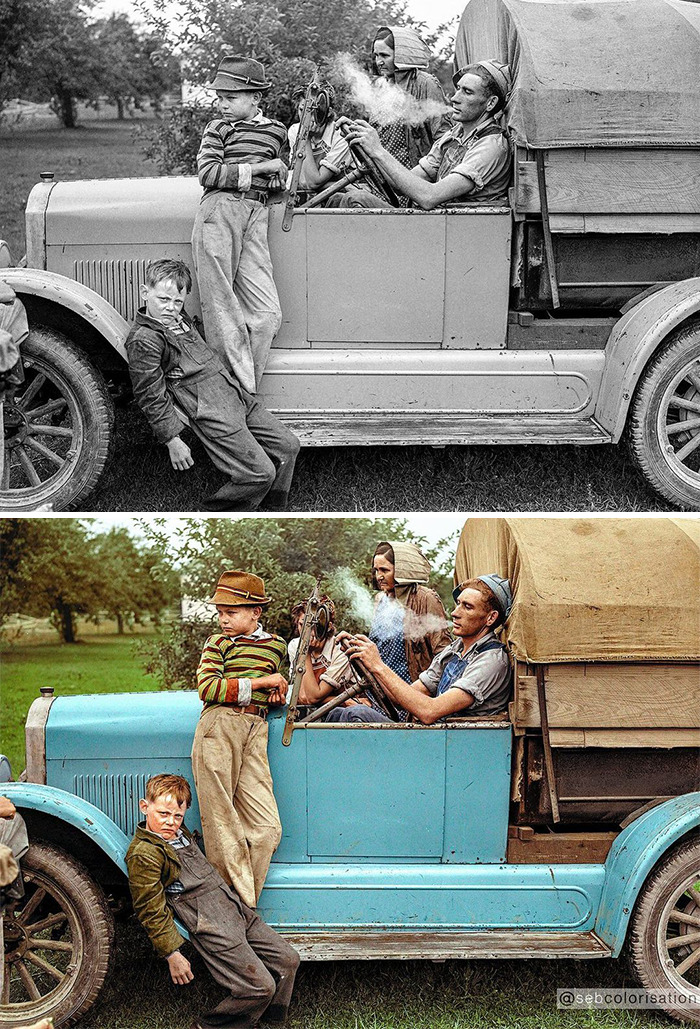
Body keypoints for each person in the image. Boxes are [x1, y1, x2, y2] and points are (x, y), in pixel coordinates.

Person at [125, 258, 299, 512]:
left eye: (177, 302)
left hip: (232, 393)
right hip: (210, 408)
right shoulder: (145, 340)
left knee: (288, 446)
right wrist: (172, 439)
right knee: (260, 472)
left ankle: (272, 506)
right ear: (144, 293)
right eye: (163, 300)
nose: (171, 308)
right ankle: (211, 512)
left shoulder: (177, 319)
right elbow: (149, 393)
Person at [126, 774, 299, 1029]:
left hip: (230, 905)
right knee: (259, 987)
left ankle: (270, 1021)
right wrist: (172, 953)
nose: (170, 822)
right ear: (144, 806)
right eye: (163, 813)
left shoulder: (178, 833)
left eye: (177, 816)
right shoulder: (145, 854)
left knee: (288, 959)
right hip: (209, 922)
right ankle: (208, 1026)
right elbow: (149, 908)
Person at [191, 55, 289, 396]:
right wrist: (262, 169)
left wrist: (276, 177)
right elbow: (209, 174)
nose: (222, 105)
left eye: (230, 98)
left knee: (266, 315)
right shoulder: (218, 129)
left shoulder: (277, 131)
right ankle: (228, 403)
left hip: (257, 216)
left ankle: (241, 395)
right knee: (221, 312)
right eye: (220, 97)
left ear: (255, 98)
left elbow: (280, 177)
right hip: (220, 211)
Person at [191, 571, 287, 909]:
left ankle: (237, 909)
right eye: (220, 612)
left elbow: (277, 686)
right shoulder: (217, 644)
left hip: (256, 731)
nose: (223, 619)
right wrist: (263, 684)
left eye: (230, 612)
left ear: (255, 612)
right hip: (220, 725)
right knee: (222, 827)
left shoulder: (276, 646)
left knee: (266, 829)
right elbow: (209, 689)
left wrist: (275, 692)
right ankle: (236, 916)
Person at [335, 575, 513, 724]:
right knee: (337, 714)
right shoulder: (453, 651)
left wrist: (378, 665)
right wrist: (366, 660)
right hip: (438, 739)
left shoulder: (492, 661)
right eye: (458, 603)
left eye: (467, 607)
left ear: (490, 618)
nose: (455, 613)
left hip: (456, 747)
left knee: (356, 715)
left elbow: (429, 711)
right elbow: (402, 698)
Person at [334, 60, 512, 210]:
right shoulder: (453, 136)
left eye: (467, 92)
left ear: (490, 103)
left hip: (457, 233)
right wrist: (367, 147)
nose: (455, 98)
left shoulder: (491, 146)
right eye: (458, 89)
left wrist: (378, 151)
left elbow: (429, 197)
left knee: (356, 199)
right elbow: (400, 185)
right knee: (336, 199)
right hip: (439, 225)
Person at [325, 541, 452, 722]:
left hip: (408, 695)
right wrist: (355, 643)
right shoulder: (380, 600)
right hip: (379, 692)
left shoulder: (425, 598)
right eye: (376, 570)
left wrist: (427, 700)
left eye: (384, 570)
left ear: (401, 571)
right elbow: (380, 647)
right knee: (334, 716)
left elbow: (443, 654)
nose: (379, 576)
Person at [287, 82, 352, 201]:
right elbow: (303, 182)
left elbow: (313, 183)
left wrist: (304, 139)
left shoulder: (340, 135)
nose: (307, 118)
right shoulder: (295, 131)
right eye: (303, 110)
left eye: (314, 112)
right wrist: (340, 186)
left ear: (328, 112)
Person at [287, 595, 338, 705]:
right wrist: (343, 701)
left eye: (315, 626)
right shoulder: (295, 646)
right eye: (302, 625)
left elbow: (313, 698)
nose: (308, 631)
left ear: (328, 626)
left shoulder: (338, 649)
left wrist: (306, 652)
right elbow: (303, 697)